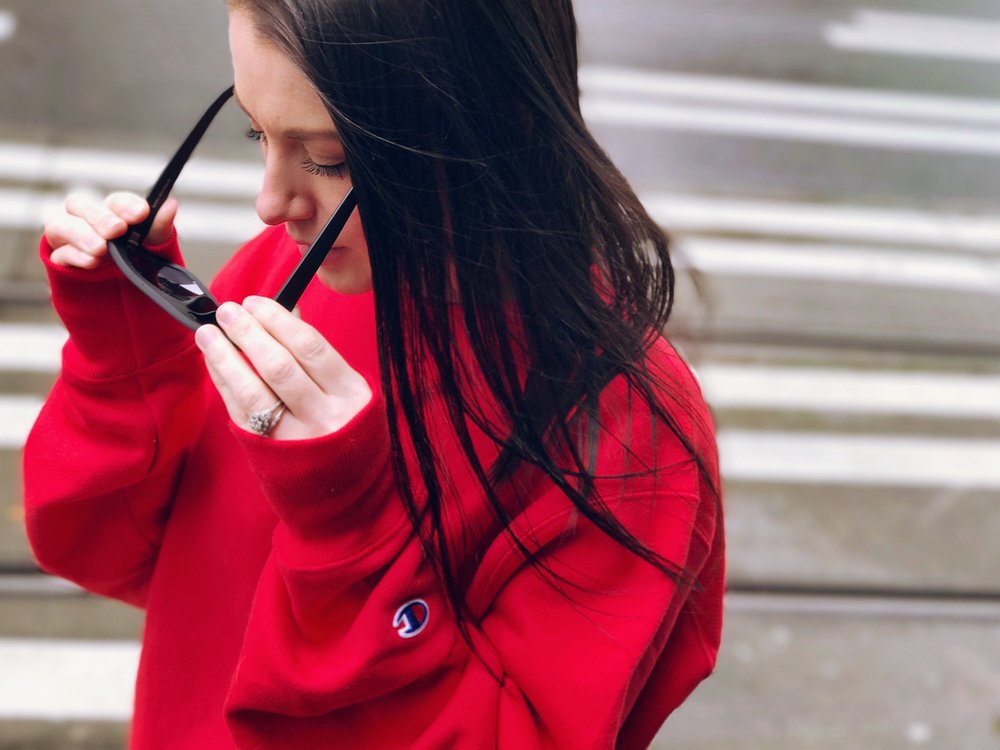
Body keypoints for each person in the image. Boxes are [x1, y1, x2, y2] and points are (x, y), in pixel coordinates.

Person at [24, 0, 725, 747]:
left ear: (497, 124)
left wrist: (352, 528)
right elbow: (115, 554)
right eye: (258, 134)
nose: (270, 203)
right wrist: (126, 355)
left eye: (330, 157)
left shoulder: (627, 427)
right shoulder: (289, 275)